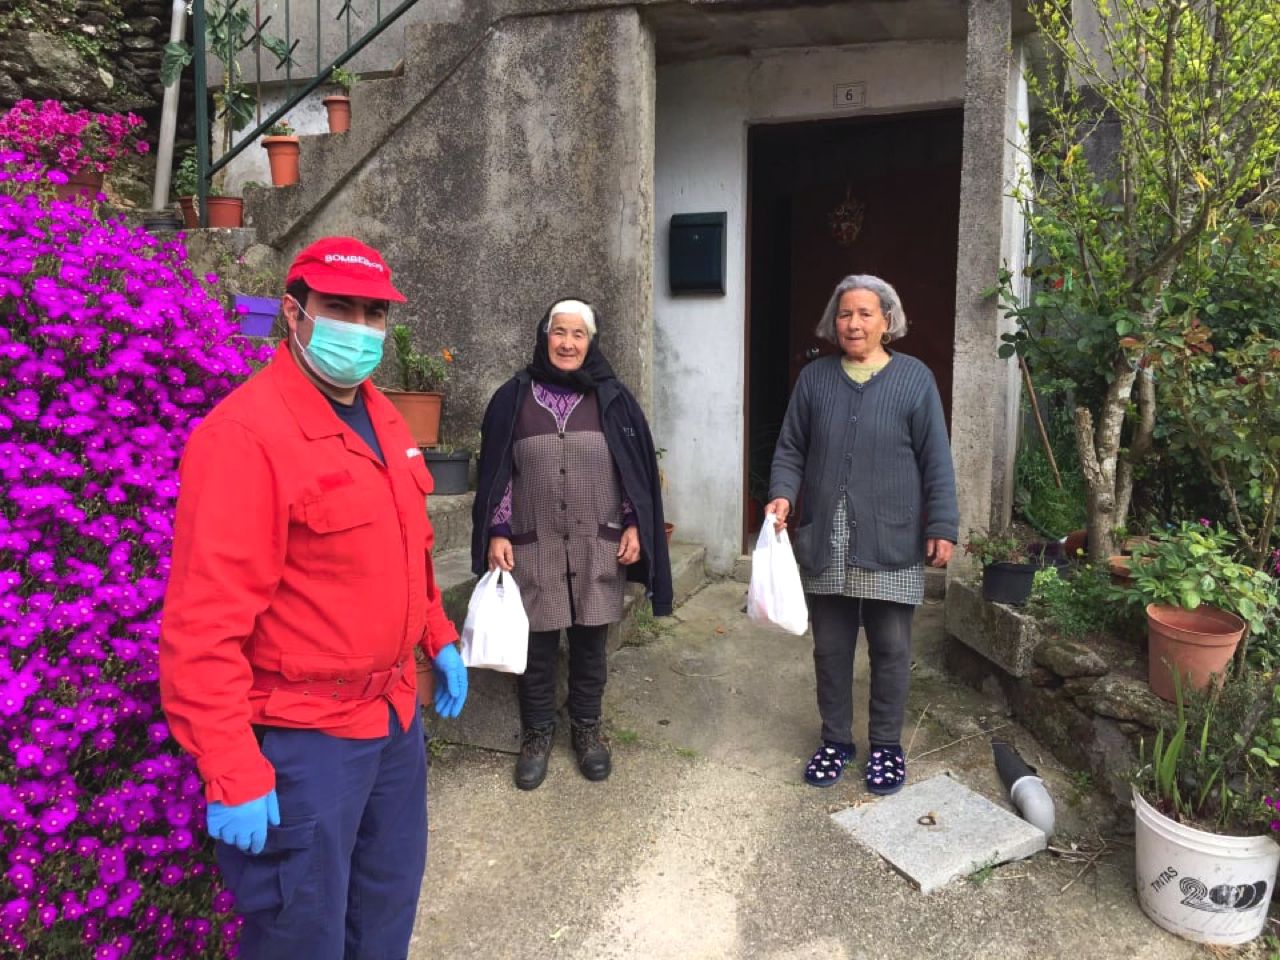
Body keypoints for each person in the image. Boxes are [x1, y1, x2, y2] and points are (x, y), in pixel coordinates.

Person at [159, 236, 468, 959]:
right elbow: (202, 629)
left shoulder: (383, 417)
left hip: (392, 723)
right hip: (306, 741)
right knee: (301, 936)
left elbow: (407, 545)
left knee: (383, 917)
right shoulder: (245, 436)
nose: (359, 329)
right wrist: (231, 768)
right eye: (339, 308)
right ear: (293, 313)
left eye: (373, 313)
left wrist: (438, 634)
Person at [767, 274, 957, 795]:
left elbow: (935, 459)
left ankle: (887, 747)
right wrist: (782, 494)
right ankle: (835, 740)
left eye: (865, 313)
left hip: (891, 538)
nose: (853, 323)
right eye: (845, 313)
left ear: (887, 321)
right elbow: (790, 448)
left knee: (892, 648)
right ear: (835, 321)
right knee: (830, 648)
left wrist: (942, 525)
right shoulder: (815, 379)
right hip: (826, 537)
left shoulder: (914, 379)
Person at [472, 298, 672, 791]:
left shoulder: (614, 400)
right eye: (558, 333)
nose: (567, 343)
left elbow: (634, 473)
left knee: (589, 647)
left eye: (577, 334)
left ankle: (587, 731)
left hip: (596, 544)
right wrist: (498, 529)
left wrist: (633, 525)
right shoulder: (513, 399)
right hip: (532, 544)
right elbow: (499, 474)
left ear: (591, 342)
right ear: (545, 338)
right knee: (536, 648)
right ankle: (537, 734)